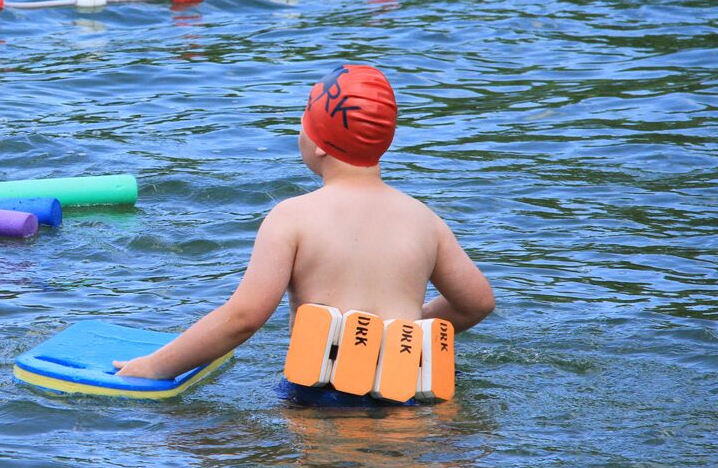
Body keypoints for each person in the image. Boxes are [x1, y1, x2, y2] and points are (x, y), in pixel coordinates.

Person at [113, 64, 495, 385]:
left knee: (205, 447)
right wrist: (395, 331)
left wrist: (154, 367)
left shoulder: (292, 216)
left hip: (322, 399)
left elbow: (243, 319)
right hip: (407, 388)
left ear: (317, 144)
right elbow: (476, 303)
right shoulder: (423, 219)